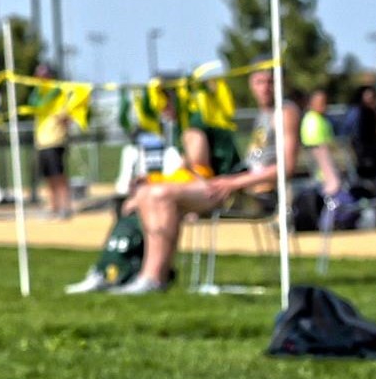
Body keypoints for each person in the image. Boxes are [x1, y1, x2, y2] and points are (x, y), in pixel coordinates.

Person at [106, 66, 300, 294]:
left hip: (256, 195)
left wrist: (232, 182)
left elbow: (287, 167)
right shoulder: (262, 114)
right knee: (148, 193)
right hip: (233, 187)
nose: (265, 88)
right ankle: (149, 274)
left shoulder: (285, 112)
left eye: (270, 81)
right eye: (259, 81)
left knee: (160, 195)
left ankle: (154, 277)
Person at [31, 63, 73, 220]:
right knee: (49, 178)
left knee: (59, 176)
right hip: (42, 142)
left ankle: (65, 207)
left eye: (44, 76)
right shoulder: (38, 97)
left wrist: (62, 120)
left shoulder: (59, 94)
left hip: (55, 141)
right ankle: (54, 208)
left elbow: (66, 118)